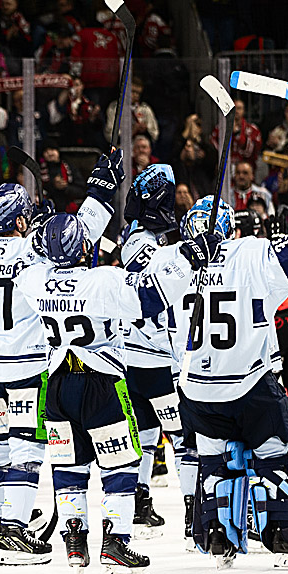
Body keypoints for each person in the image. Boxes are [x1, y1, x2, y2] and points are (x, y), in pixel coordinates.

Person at [0, 143, 121, 565]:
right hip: (27, 366)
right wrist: (101, 188)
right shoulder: (30, 251)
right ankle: (12, 531)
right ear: (20, 220)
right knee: (27, 447)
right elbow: (78, 232)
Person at [15, 204, 196, 574]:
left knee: (69, 467)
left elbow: (29, 256)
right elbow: (151, 298)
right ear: (83, 247)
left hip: (56, 385)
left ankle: (75, 543)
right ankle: (115, 546)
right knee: (121, 466)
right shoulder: (103, 280)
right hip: (100, 382)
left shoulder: (35, 281)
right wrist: (189, 256)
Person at [172, 194, 288, 570]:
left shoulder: (174, 263)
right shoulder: (253, 254)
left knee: (214, 461)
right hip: (249, 386)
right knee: (284, 454)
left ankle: (217, 535)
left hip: (195, 392)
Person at [116, 164, 182, 540]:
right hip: (151, 354)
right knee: (184, 437)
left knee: (147, 431)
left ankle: (142, 499)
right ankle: (196, 508)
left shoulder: (146, 237)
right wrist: (187, 253)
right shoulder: (141, 241)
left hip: (143, 352)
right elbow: (153, 280)